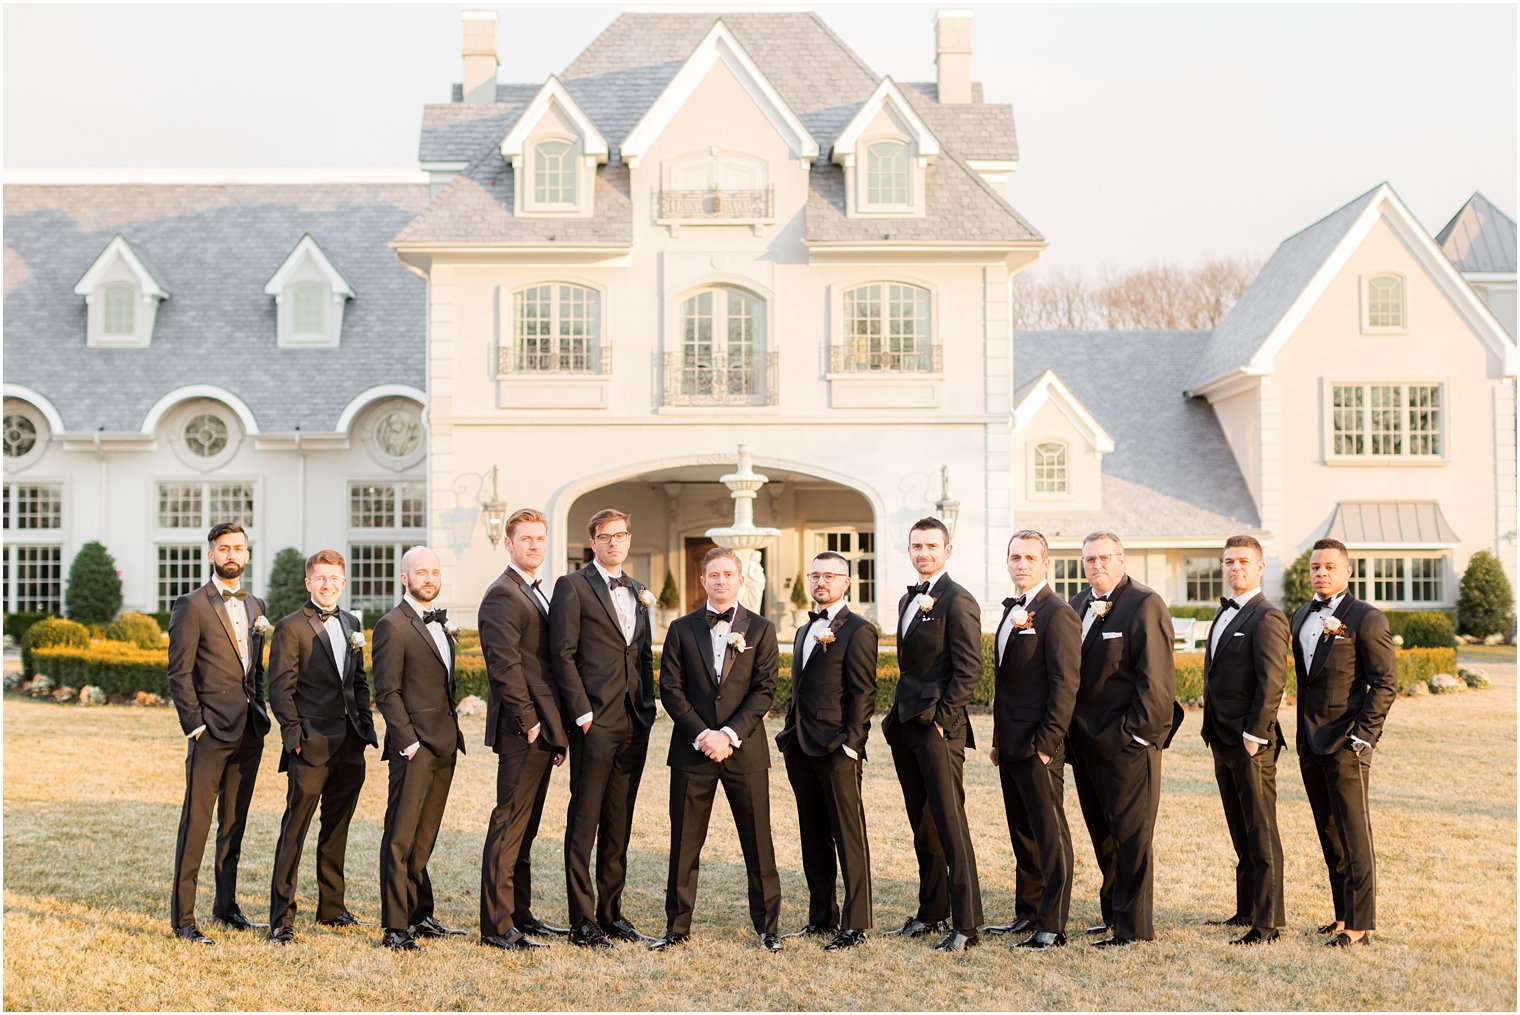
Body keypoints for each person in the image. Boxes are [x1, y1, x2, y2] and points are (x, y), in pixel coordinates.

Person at [649, 546, 783, 953]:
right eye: (714, 574)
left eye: (728, 574)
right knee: (685, 842)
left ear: (740, 580)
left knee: (758, 842)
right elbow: (670, 689)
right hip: (693, 750)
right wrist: (703, 734)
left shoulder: (761, 629)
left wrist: (728, 734)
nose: (721, 581)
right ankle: (677, 928)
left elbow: (765, 691)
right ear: (702, 581)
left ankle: (768, 929)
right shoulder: (680, 628)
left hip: (744, 751)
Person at [548, 508, 658, 948]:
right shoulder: (572, 587)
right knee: (585, 819)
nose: (615, 542)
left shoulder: (638, 589)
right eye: (605, 536)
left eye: (621, 535)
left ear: (630, 539)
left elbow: (644, 654)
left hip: (635, 720)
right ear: (591, 542)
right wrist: (582, 712)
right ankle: (582, 922)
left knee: (620, 820)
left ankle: (612, 914)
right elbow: (563, 655)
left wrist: (648, 706)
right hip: (594, 722)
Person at [1067, 531, 1179, 948]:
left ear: (1122, 559)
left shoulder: (1144, 604)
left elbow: (1157, 681)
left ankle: (1134, 928)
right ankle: (1113, 915)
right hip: (1085, 744)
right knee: (1104, 836)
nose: (1097, 565)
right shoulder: (1077, 605)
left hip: (1128, 744)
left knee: (1133, 839)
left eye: (1105, 558)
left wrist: (1135, 734)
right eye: (1090, 559)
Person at [881, 517, 984, 952]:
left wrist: (944, 718)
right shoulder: (910, 600)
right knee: (922, 823)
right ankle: (931, 911)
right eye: (916, 546)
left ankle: (967, 923)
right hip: (906, 727)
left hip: (939, 729)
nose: (923, 553)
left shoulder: (958, 600)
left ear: (947, 550)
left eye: (930, 546)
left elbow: (969, 668)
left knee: (950, 823)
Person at [166, 521, 271, 944]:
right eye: (224, 548)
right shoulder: (191, 605)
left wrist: (260, 709)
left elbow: (256, 669)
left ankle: (226, 907)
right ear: (211, 554)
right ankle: (184, 920)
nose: (232, 555)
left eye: (238, 548)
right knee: (197, 822)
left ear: (246, 555)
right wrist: (194, 725)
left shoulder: (256, 604)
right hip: (209, 733)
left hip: (249, 732)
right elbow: (179, 672)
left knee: (234, 823)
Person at [266, 549, 378, 944]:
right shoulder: (290, 627)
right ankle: (281, 918)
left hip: (350, 745)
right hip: (310, 746)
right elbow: (279, 690)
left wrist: (365, 727)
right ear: (309, 582)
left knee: (337, 828)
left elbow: (358, 680)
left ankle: (332, 908)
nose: (328, 584)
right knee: (295, 829)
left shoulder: (351, 622)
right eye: (321, 578)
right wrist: (295, 738)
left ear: (343, 584)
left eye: (335, 578)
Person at [1291, 537, 1397, 948]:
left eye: (1330, 567)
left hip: (1347, 744)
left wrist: (1363, 737)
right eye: (1316, 567)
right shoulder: (1302, 614)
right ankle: (1340, 914)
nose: (1321, 573)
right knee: (1329, 832)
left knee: (1354, 834)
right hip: (1309, 743)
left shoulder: (1366, 618)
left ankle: (1358, 926)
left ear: (1347, 571)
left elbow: (1385, 683)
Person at [775, 551, 878, 952]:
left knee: (848, 835)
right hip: (800, 747)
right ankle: (822, 916)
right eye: (816, 575)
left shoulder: (858, 630)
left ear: (846, 582)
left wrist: (853, 744)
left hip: (837, 748)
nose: (822, 582)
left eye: (831, 576)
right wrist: (788, 732)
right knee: (813, 835)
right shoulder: (804, 630)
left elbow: (863, 692)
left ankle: (855, 923)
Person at [477, 509, 570, 950]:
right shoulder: (502, 595)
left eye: (539, 538)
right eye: (525, 539)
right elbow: (505, 667)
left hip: (544, 727)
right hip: (522, 729)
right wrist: (531, 723)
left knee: (527, 826)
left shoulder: (534, 591)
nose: (534, 545)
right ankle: (497, 926)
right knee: (509, 824)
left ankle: (520, 913)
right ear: (508, 544)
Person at [986, 530, 1080, 951]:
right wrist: (996, 739)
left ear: (1046, 563)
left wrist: (1047, 744)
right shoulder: (1012, 611)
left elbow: (1065, 684)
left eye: (1029, 557)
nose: (1021, 564)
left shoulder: (1057, 613)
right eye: (1014, 557)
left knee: (1050, 834)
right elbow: (1004, 684)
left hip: (1039, 745)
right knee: (1022, 832)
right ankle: (1027, 912)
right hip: (1009, 744)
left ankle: (1052, 924)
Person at [373, 546, 465, 950]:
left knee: (425, 836)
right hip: (413, 748)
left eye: (434, 571)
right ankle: (396, 927)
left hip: (445, 744)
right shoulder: (392, 625)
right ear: (404, 578)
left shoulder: (440, 624)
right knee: (400, 837)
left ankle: (419, 914)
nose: (429, 578)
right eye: (420, 572)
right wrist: (408, 741)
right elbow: (387, 691)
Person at [1200, 535, 1288, 946]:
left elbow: (1272, 682)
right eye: (1229, 562)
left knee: (1261, 830)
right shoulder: (1224, 614)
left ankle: (1268, 923)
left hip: (1250, 742)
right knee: (1240, 827)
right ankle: (1246, 908)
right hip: (1221, 739)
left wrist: (1255, 735)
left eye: (1243, 562)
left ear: (1260, 567)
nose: (1235, 568)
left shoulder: (1266, 617)